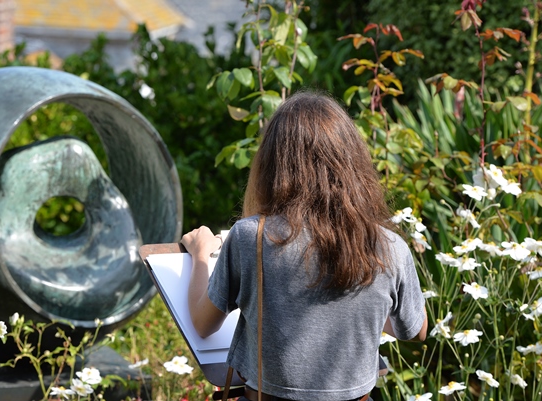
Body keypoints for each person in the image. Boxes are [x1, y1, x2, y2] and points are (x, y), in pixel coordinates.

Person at [181, 91, 427, 401]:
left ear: (273, 163)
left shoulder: (251, 238)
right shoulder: (389, 245)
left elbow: (203, 325)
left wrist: (200, 256)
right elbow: (416, 331)